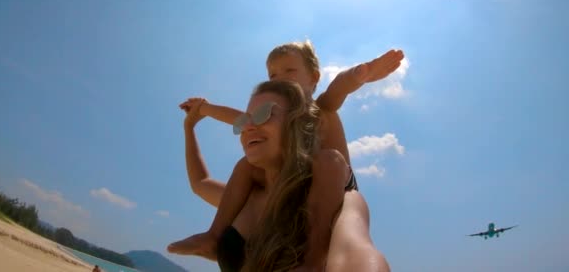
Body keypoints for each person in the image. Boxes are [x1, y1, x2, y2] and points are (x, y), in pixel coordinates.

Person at [168, 41, 403, 269]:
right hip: (291, 180)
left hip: (335, 181)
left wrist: (362, 74)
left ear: (313, 78)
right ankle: (214, 234)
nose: (279, 78)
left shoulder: (319, 108)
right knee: (245, 165)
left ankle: (311, 259)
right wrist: (201, 112)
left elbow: (338, 88)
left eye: (289, 70)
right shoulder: (253, 184)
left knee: (327, 160)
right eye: (272, 75)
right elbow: (239, 120)